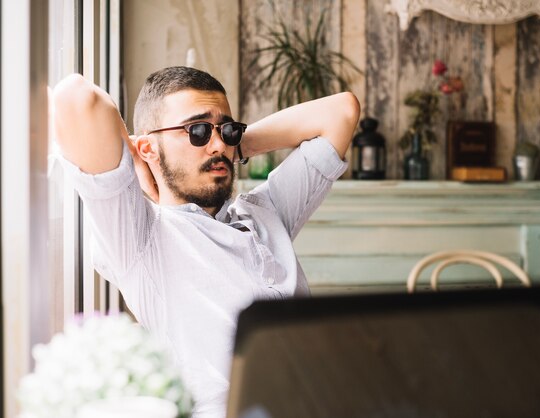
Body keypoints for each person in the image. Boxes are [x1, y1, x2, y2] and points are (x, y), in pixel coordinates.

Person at [52, 66, 360, 418]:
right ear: (149, 146)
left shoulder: (266, 210)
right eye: (196, 131)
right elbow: (75, 98)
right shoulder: (142, 236)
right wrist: (137, 158)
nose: (217, 144)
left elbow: (342, 111)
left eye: (226, 129)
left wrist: (236, 144)